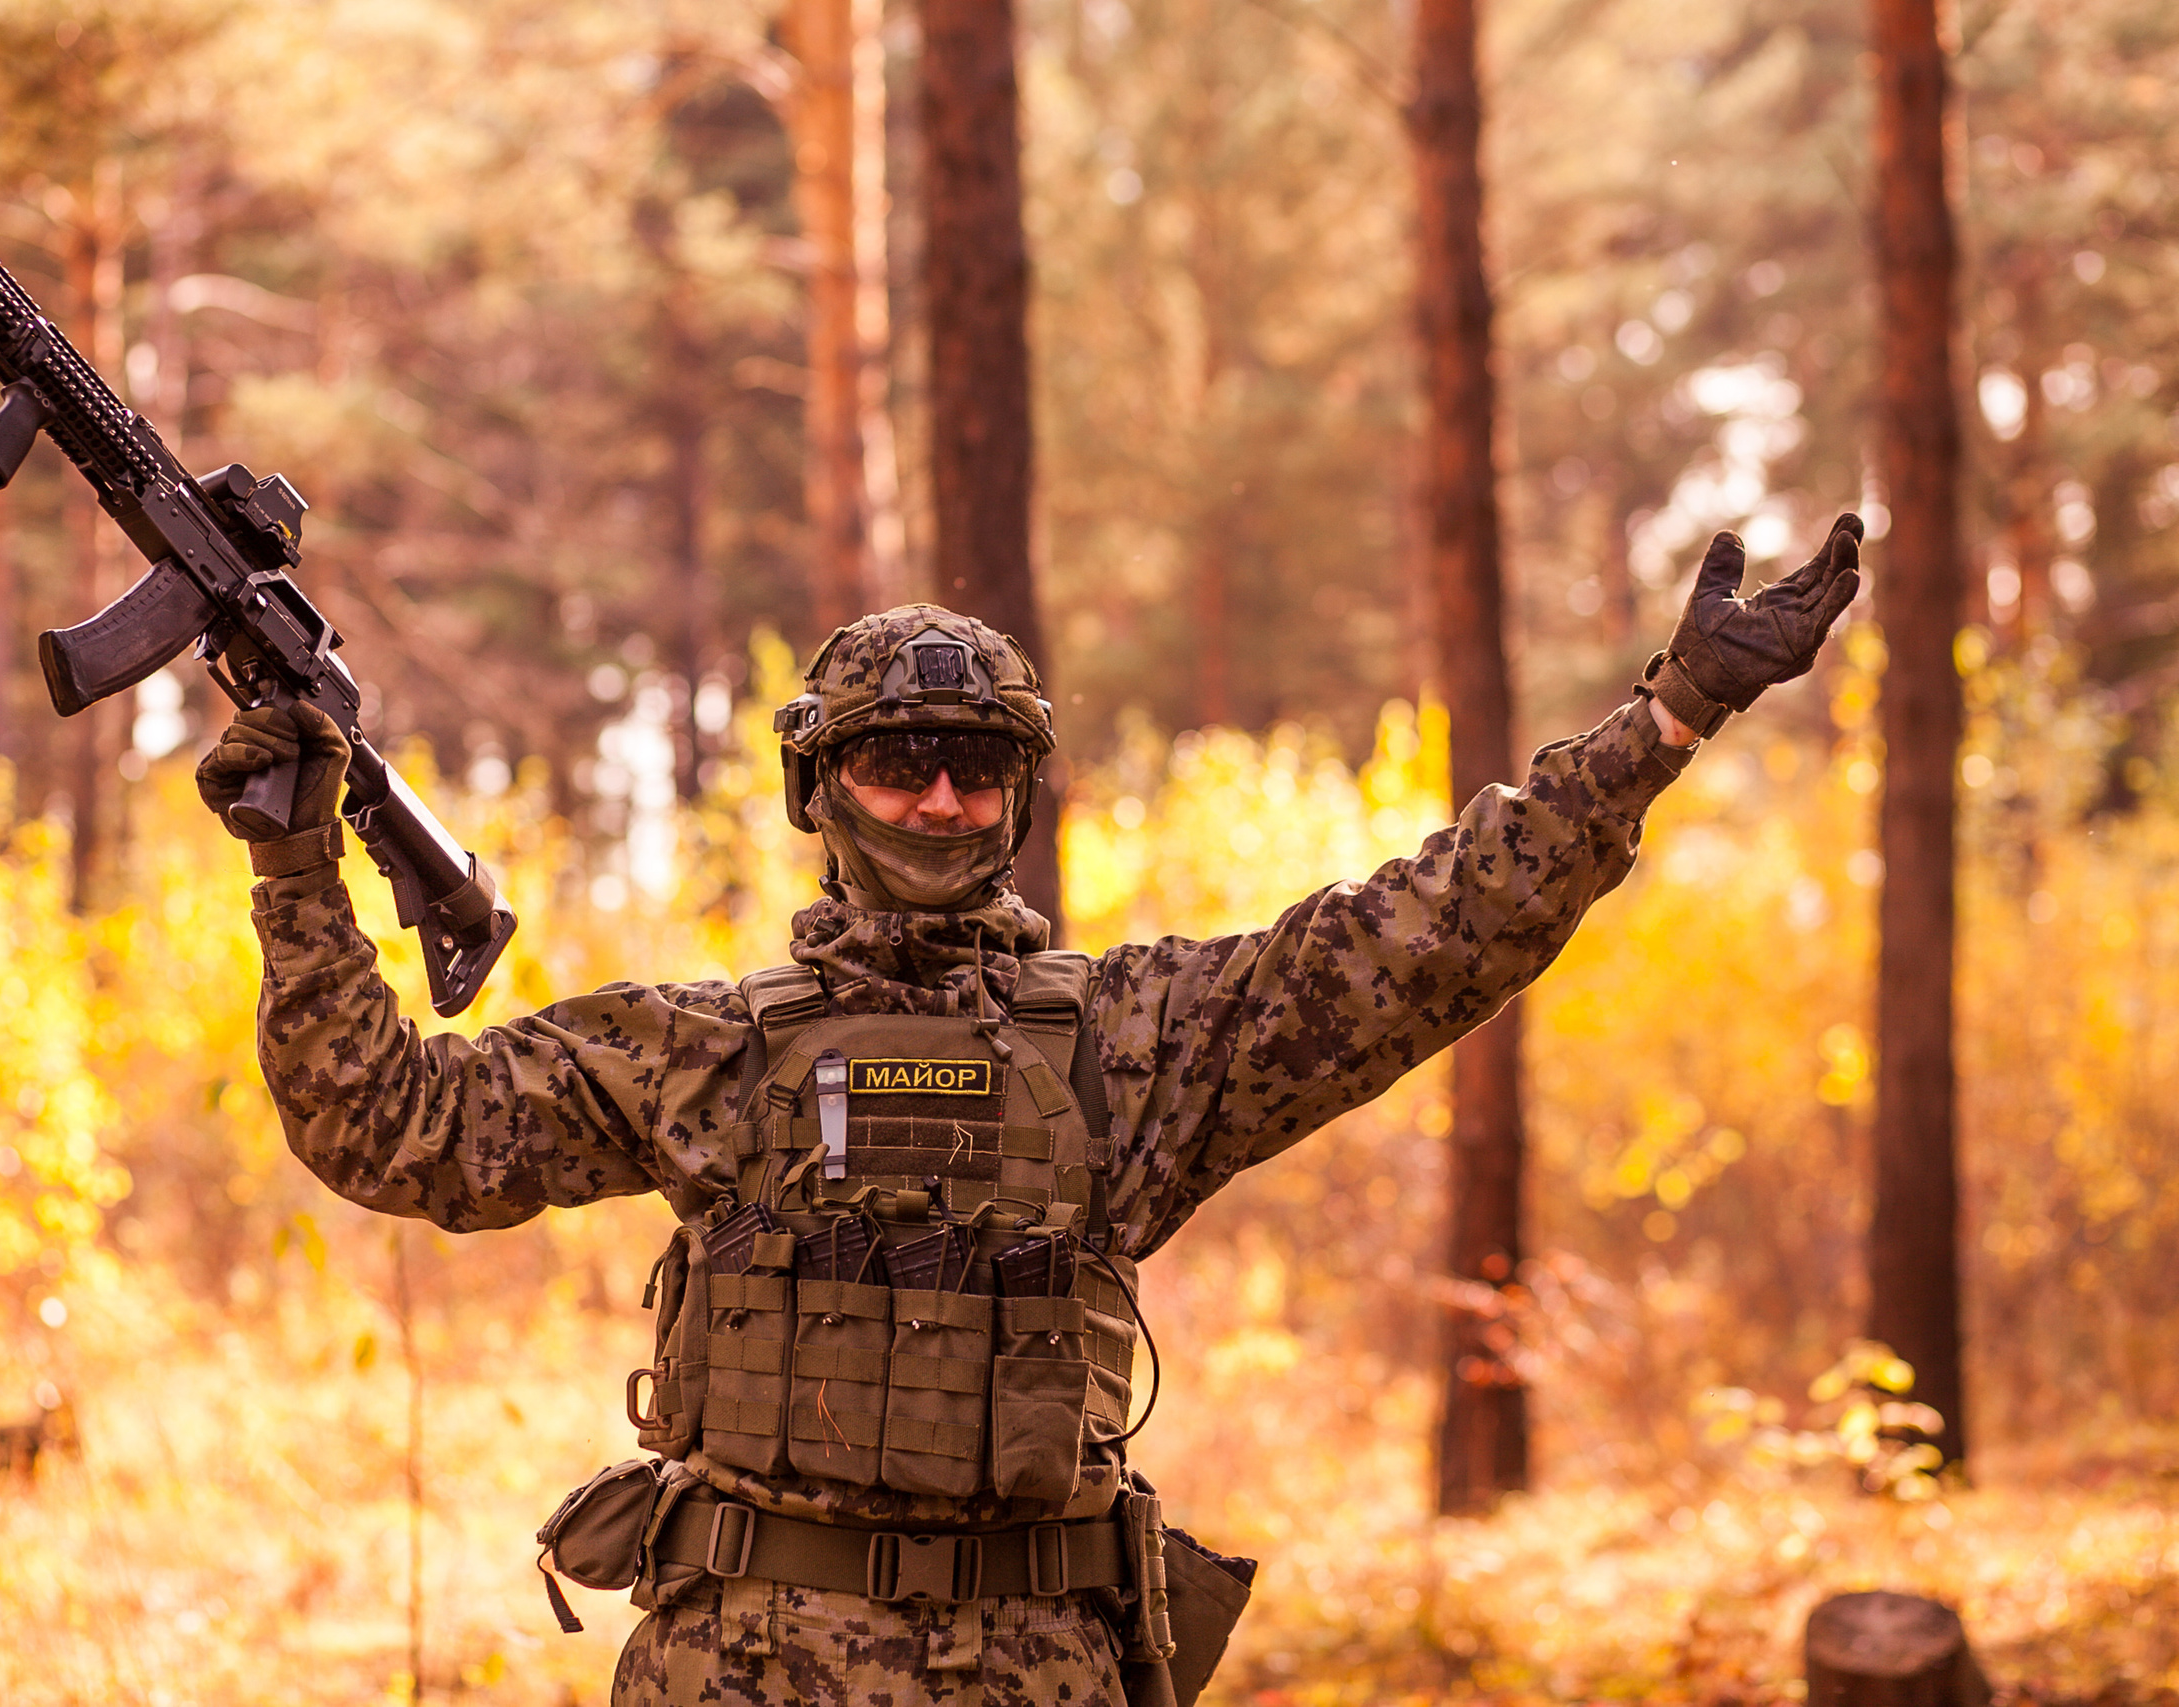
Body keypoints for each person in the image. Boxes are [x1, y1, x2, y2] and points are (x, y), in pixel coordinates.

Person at [196, 517, 1863, 1707]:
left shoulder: (1135, 1047)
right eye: (900, 758)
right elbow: (391, 1125)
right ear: (820, 791)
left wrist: (1663, 722)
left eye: (976, 765)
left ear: (1018, 791)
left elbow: (1427, 936)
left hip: (1036, 1672)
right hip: (744, 1676)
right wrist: (295, 856)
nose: (940, 795)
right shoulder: (701, 1053)